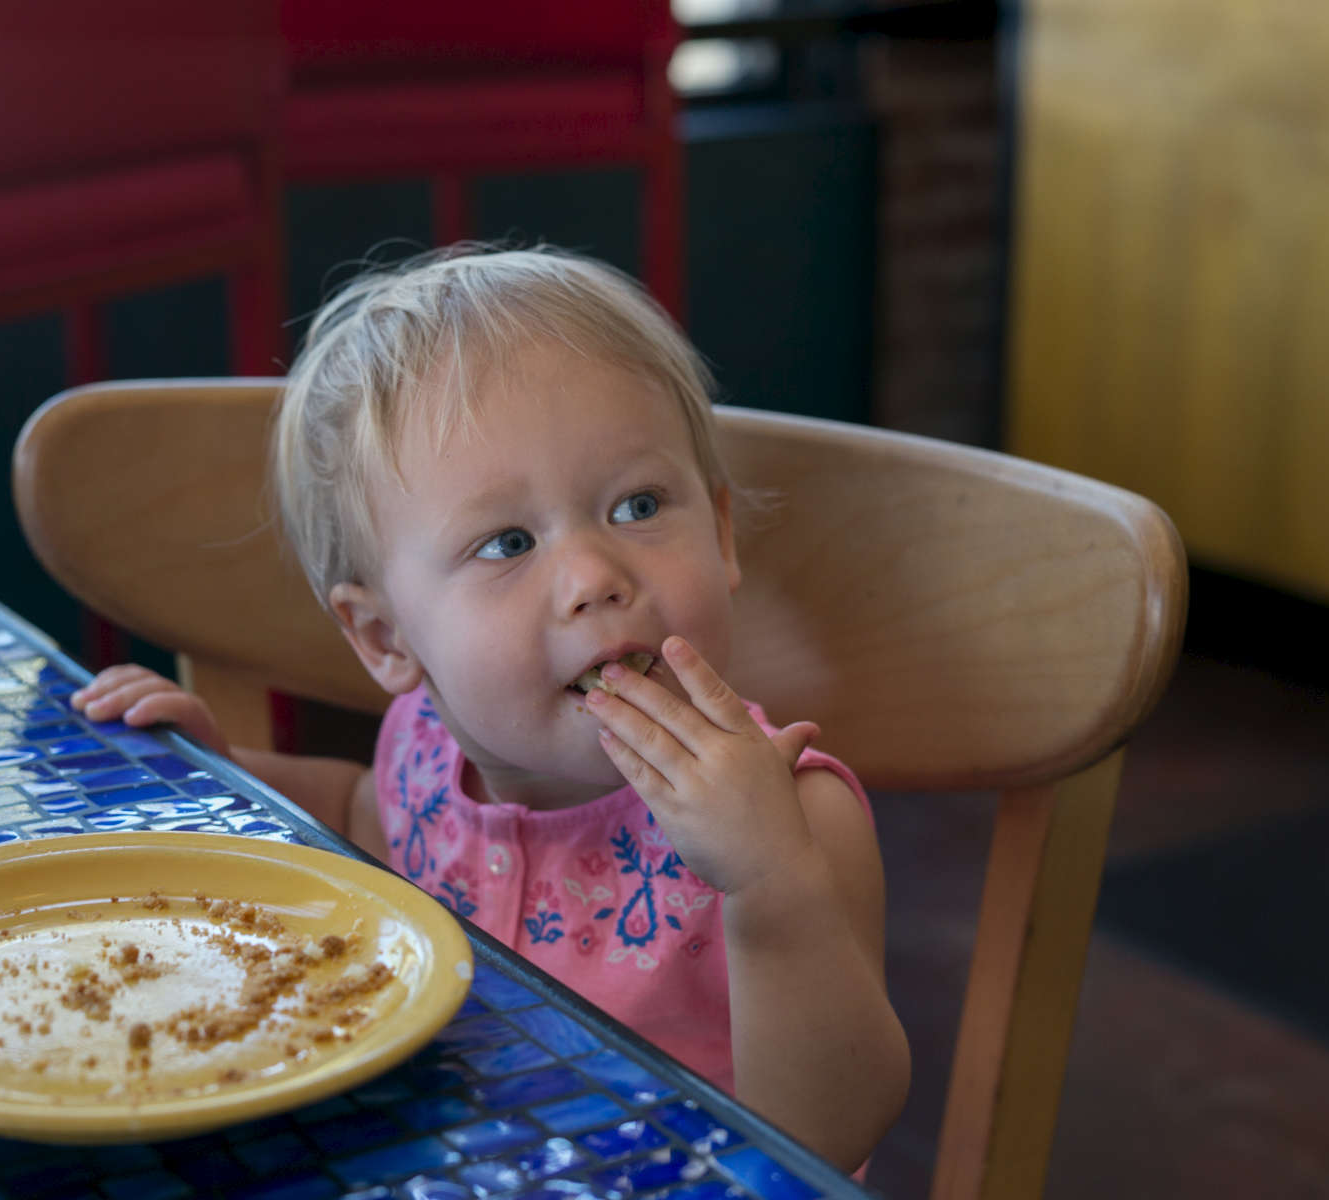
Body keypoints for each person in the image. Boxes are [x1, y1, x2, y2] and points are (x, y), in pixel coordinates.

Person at [71, 245, 910, 1170]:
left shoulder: (794, 819)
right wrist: (226, 774)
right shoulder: (426, 746)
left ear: (718, 531)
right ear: (387, 639)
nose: (594, 577)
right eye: (508, 541)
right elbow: (368, 817)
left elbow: (831, 1134)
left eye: (637, 505)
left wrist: (769, 885)